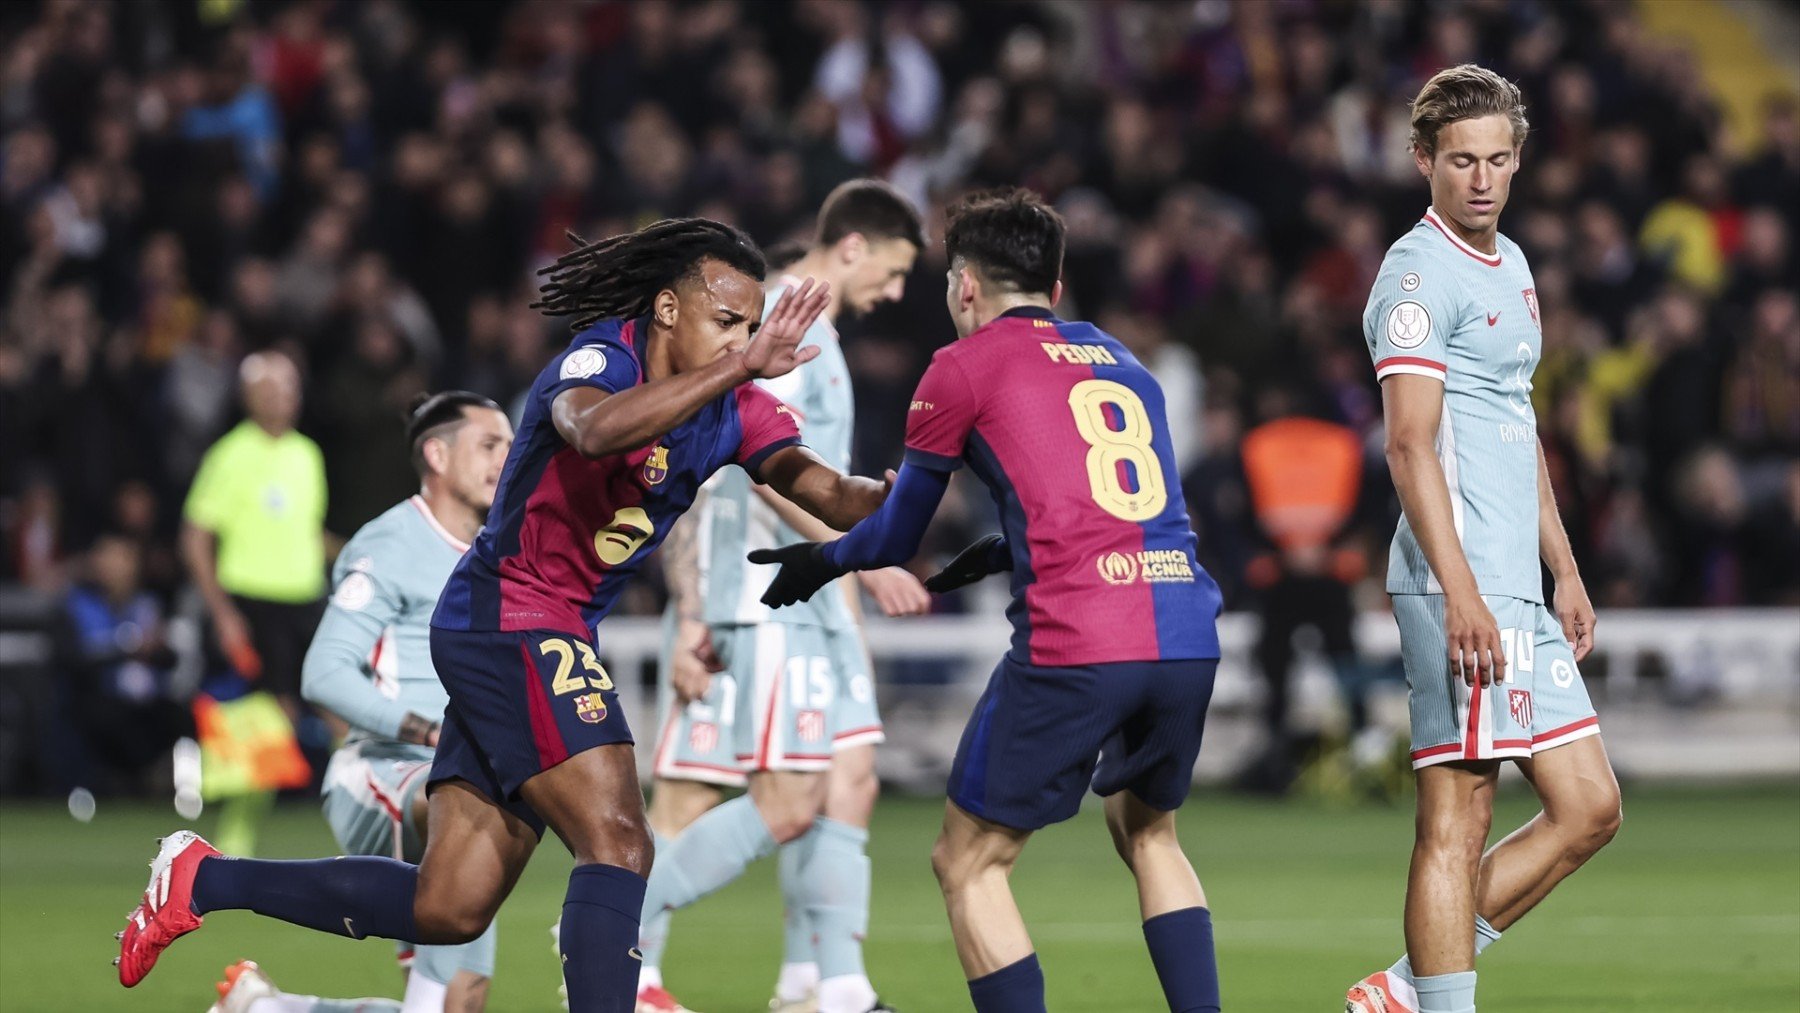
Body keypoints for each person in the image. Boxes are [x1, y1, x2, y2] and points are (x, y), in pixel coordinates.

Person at [117, 218, 893, 1013]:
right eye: (727, 320)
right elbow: (593, 430)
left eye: (751, 327)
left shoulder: (734, 406)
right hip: (509, 613)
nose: (743, 340)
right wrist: (737, 367)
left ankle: (202, 877)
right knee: (620, 840)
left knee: (450, 905)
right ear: (666, 308)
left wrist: (922, 479)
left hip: (538, 628)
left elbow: (831, 494)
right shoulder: (605, 355)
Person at [752, 190, 1224, 1013]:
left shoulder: (960, 367)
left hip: (1081, 638)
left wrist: (823, 561)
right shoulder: (1127, 363)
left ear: (965, 285)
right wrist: (1013, 541)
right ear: (1059, 285)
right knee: (1149, 832)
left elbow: (896, 536)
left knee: (968, 862)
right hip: (1185, 628)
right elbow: (1132, 508)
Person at [1345, 65, 1621, 1013]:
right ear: (1424, 160)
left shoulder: (1513, 264)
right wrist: (1460, 589)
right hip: (1454, 580)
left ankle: (1405, 985)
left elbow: (1515, 419)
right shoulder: (1415, 277)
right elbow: (1410, 443)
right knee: (1457, 818)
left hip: (1519, 584)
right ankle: (1442, 1003)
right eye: (1462, 160)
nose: (1482, 179)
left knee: (1589, 807)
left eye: (1500, 159)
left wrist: (1565, 565)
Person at [635, 179, 929, 1013]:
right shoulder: (785, 337)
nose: (897, 292)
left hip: (808, 601)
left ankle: (823, 980)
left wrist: (851, 580)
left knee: (847, 777)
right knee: (711, 791)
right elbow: (741, 471)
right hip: (753, 595)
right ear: (851, 247)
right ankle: (625, 942)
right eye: (896, 269)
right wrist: (858, 552)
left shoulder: (819, 341)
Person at [206, 391, 514, 1013]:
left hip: (464, 780)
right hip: (383, 768)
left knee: (462, 1000)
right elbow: (323, 673)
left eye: (510, 445)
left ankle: (271, 1009)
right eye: (489, 445)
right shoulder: (390, 544)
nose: (507, 459)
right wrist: (428, 731)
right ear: (436, 454)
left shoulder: (501, 550)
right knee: (449, 798)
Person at [180, 349, 329, 855]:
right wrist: (222, 611)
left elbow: (305, 531)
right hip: (251, 598)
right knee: (259, 723)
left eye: (290, 388)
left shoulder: (307, 454)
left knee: (334, 703)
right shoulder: (230, 454)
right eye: (271, 389)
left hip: (305, 598)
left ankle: (366, 817)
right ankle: (234, 837)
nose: (283, 398)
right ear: (248, 397)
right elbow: (195, 535)